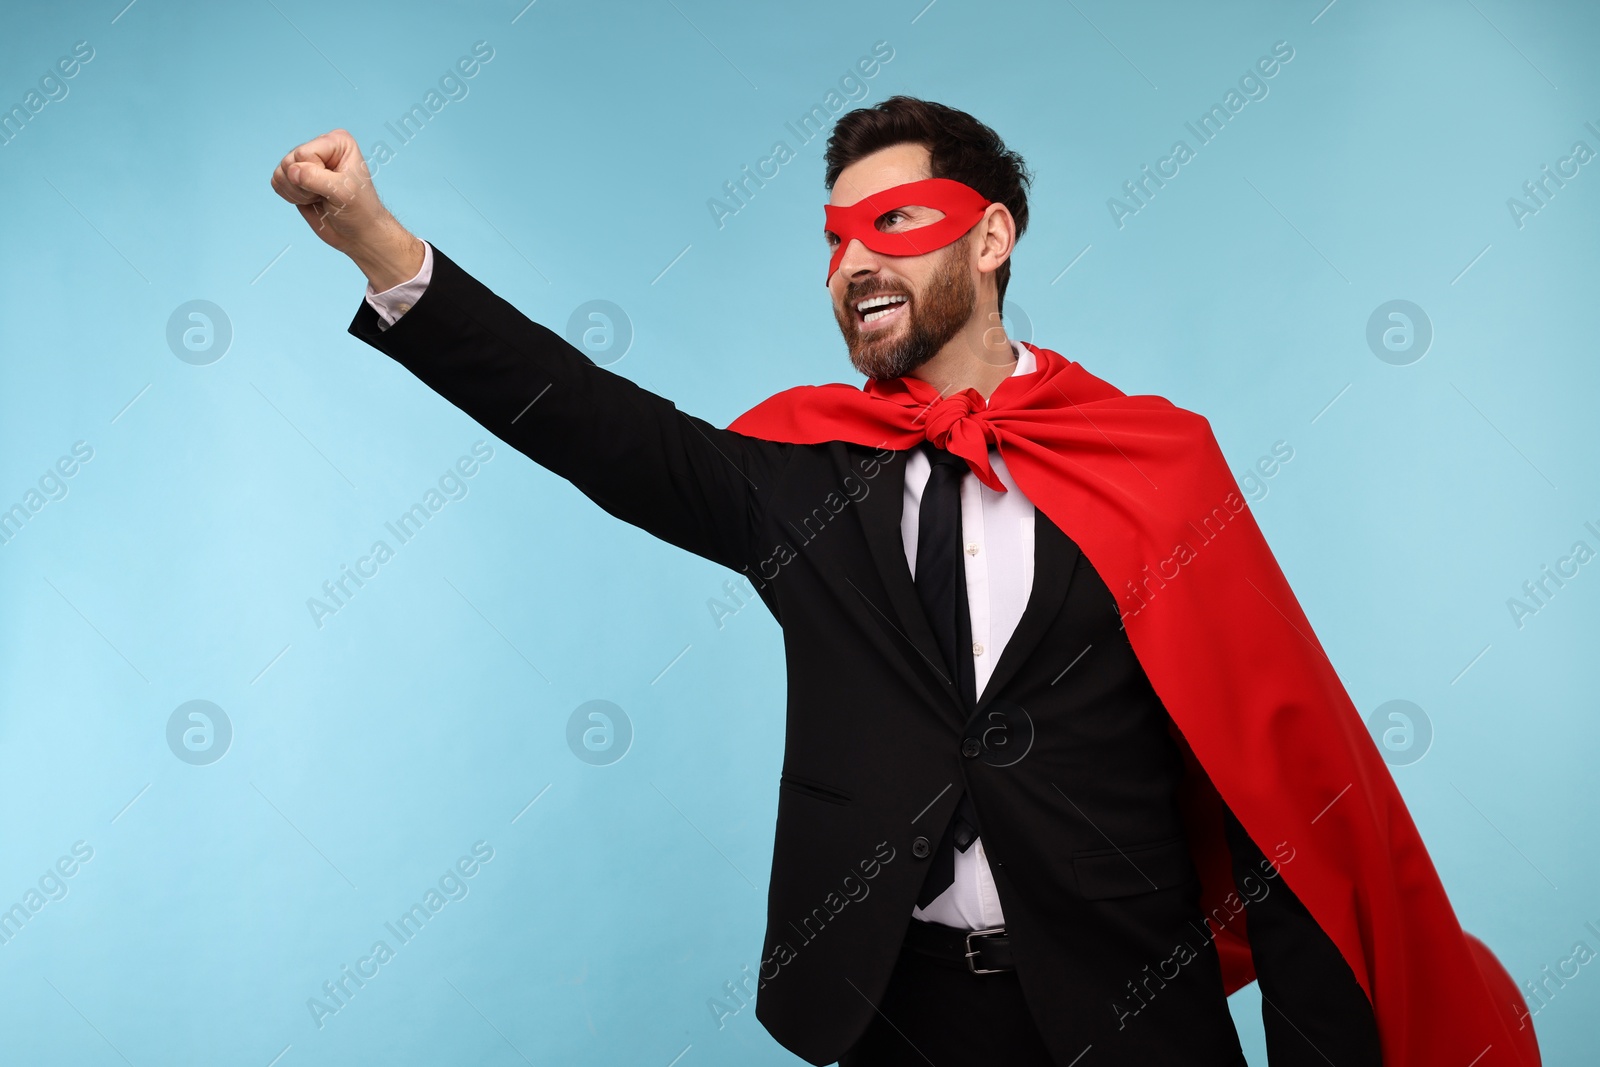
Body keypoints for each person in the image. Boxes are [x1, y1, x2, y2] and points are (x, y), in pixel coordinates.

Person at [270, 97, 1533, 1067]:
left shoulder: (1155, 460)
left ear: (991, 238)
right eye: (833, 240)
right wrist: (382, 247)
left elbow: (1275, 779)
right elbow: (598, 428)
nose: (853, 263)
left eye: (894, 226)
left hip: (1131, 1008)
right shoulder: (805, 469)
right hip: (889, 1007)